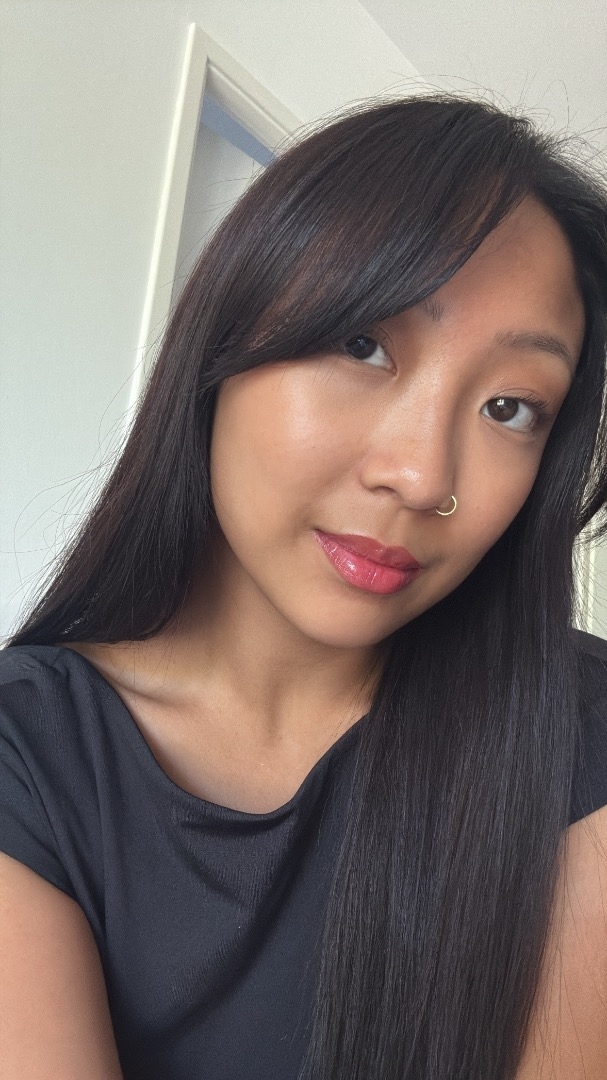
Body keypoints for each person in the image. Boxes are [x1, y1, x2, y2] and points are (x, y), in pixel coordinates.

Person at [2, 93, 607, 1080]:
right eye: (364, 345)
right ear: (222, 344)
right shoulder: (30, 755)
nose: (421, 476)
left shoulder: (577, 726)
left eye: (509, 407)